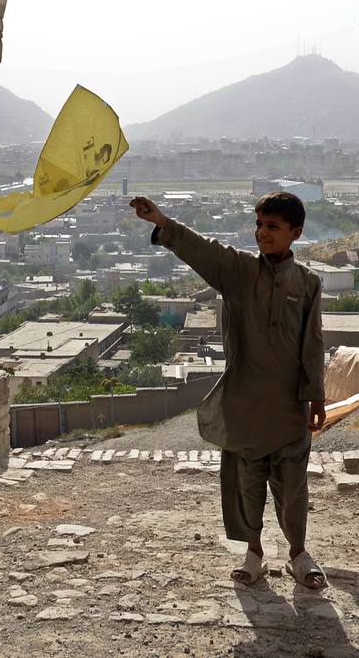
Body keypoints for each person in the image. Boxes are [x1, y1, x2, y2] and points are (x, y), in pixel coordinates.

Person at [130, 192, 328, 588]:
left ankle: (297, 553)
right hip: (244, 402)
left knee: (293, 485)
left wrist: (316, 395)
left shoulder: (307, 283)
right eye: (258, 225)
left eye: (272, 226)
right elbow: (203, 250)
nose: (262, 233)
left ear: (296, 233)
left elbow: (313, 343)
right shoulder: (238, 271)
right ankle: (254, 552)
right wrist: (163, 222)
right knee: (247, 482)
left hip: (289, 406)